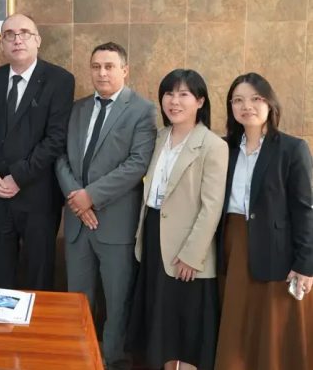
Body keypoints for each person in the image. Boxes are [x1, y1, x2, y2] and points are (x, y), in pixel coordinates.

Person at [55, 42, 156, 369]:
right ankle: (78, 360)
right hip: (77, 221)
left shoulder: (142, 110)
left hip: (115, 225)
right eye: (96, 66)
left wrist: (92, 196)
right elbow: (61, 156)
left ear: (125, 70)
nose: (102, 73)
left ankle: (114, 361)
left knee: (117, 303)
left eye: (109, 66)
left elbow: (137, 164)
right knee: (77, 301)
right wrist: (77, 198)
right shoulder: (78, 108)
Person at [127, 69, 227, 370]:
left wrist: (191, 255)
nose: (174, 101)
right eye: (169, 94)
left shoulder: (213, 145)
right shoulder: (159, 137)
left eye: (184, 94)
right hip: (154, 235)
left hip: (187, 247)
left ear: (200, 101)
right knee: (162, 322)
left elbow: (212, 207)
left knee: (186, 327)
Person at [214, 73, 313, 369]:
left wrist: (306, 263)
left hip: (277, 252)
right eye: (238, 100)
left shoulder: (292, 149)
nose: (247, 106)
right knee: (236, 328)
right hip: (233, 247)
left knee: (272, 332)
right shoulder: (223, 148)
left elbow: (305, 209)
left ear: (270, 103)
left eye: (255, 98)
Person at [0, 13, 74, 291]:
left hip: (38, 197)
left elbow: (56, 139)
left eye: (24, 33)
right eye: (9, 35)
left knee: (38, 279)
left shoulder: (59, 79)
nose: (17, 40)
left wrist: (18, 176)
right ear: (2, 44)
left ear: (37, 40)